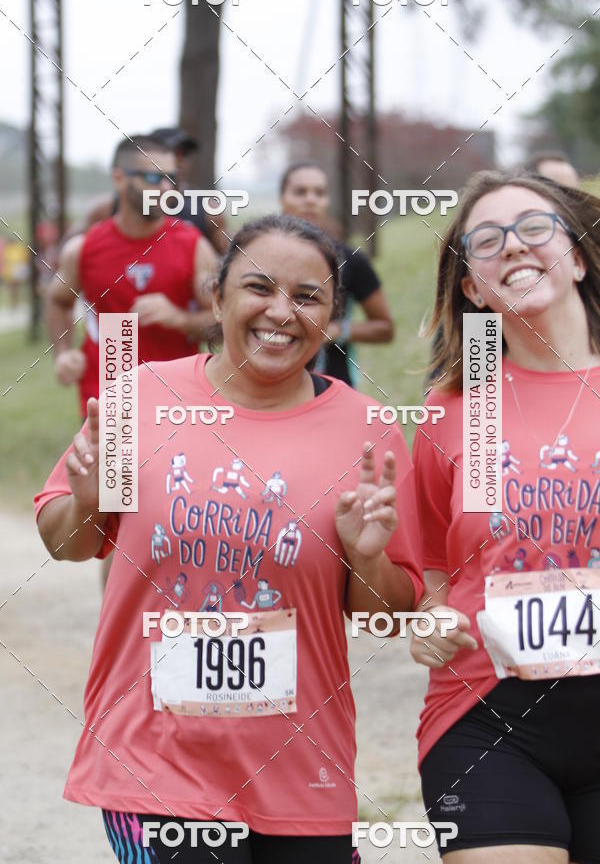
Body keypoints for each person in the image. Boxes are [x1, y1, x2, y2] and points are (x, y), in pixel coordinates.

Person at [35, 214, 424, 863]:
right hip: (153, 763)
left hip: (303, 766)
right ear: (216, 298)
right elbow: (64, 544)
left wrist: (365, 554)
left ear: (330, 318)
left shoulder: (368, 427)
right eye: (259, 288)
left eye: (307, 297)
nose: (281, 312)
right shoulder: (140, 398)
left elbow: (386, 616)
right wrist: (88, 498)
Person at [410, 170, 600, 862]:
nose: (513, 247)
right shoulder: (457, 408)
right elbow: (435, 563)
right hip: (489, 721)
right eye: (486, 242)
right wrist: (428, 616)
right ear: (472, 288)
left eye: (534, 227)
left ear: (576, 256)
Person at [45, 134, 218, 420]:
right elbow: (58, 300)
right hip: (107, 397)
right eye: (153, 177)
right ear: (119, 179)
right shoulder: (84, 249)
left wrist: (179, 318)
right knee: (116, 467)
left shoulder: (194, 246)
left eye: (170, 178)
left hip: (175, 399)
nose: (165, 187)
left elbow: (220, 319)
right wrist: (63, 352)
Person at [280, 161, 394, 386]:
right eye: (300, 191)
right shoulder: (259, 255)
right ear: (282, 198)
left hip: (334, 386)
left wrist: (337, 330)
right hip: (271, 383)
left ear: (327, 201)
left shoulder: (350, 259)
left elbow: (385, 328)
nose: (310, 199)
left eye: (319, 193)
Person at [63, 127, 229, 255]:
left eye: (183, 154)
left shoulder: (207, 207)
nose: (178, 160)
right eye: (170, 152)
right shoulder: (109, 206)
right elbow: (66, 251)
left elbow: (229, 261)